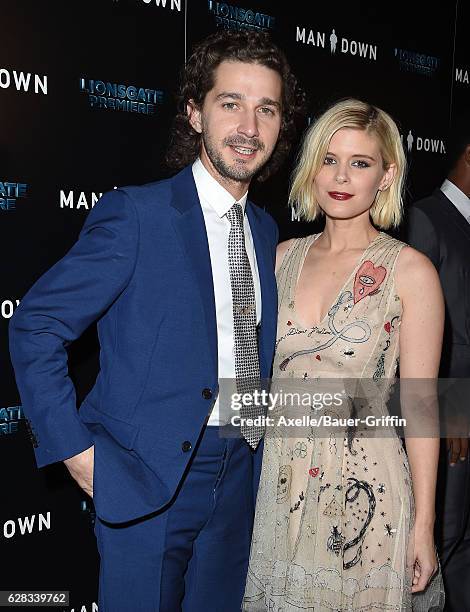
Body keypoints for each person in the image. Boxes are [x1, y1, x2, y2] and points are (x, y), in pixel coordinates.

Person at [9, 30, 305, 611]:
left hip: (240, 475)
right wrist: (77, 452)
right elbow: (35, 326)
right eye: (231, 104)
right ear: (195, 113)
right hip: (145, 480)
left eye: (266, 109)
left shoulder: (267, 232)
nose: (249, 126)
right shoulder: (137, 216)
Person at [243, 99, 445, 610]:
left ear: (386, 175)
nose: (341, 176)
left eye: (360, 163)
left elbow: (421, 407)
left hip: (366, 491)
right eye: (329, 159)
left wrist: (424, 525)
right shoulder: (277, 258)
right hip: (281, 487)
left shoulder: (411, 271)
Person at [405, 114, 470, 611]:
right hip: (450, 415)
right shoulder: (426, 216)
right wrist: (447, 413)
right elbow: (417, 331)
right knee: (444, 536)